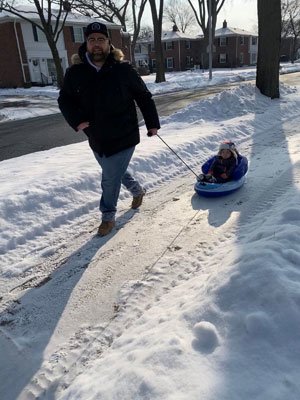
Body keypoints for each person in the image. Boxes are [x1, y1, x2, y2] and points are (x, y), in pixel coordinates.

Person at [58, 22, 160, 237]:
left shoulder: (123, 70)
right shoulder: (75, 72)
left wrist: (152, 123)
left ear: (109, 43)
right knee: (114, 172)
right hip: (96, 137)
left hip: (124, 134)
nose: (96, 44)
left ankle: (108, 216)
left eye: (101, 40)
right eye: (92, 40)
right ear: (86, 44)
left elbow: (143, 96)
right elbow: (65, 99)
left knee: (109, 177)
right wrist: (77, 120)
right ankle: (137, 190)